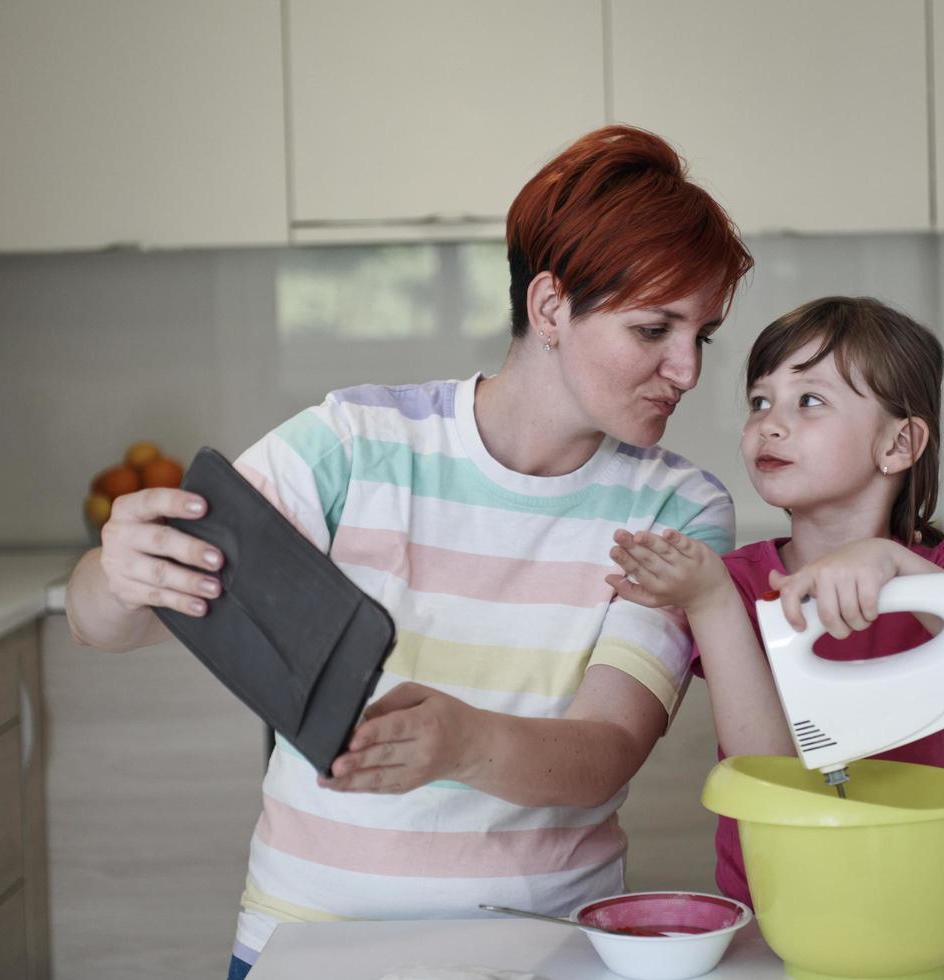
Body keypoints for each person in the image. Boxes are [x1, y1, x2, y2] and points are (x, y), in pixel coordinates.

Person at [64, 125, 752, 978]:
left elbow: (606, 749)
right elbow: (108, 625)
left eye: (703, 335)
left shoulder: (677, 510)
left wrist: (463, 742)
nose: (685, 370)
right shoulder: (352, 444)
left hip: (545, 952)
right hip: (307, 943)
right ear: (548, 308)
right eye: (654, 329)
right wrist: (115, 575)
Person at [605, 295, 944, 906]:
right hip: (779, 899)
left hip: (919, 892)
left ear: (898, 444)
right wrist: (708, 602)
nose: (769, 424)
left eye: (809, 401)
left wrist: (893, 564)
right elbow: (768, 766)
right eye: (760, 401)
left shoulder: (937, 568)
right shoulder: (738, 584)